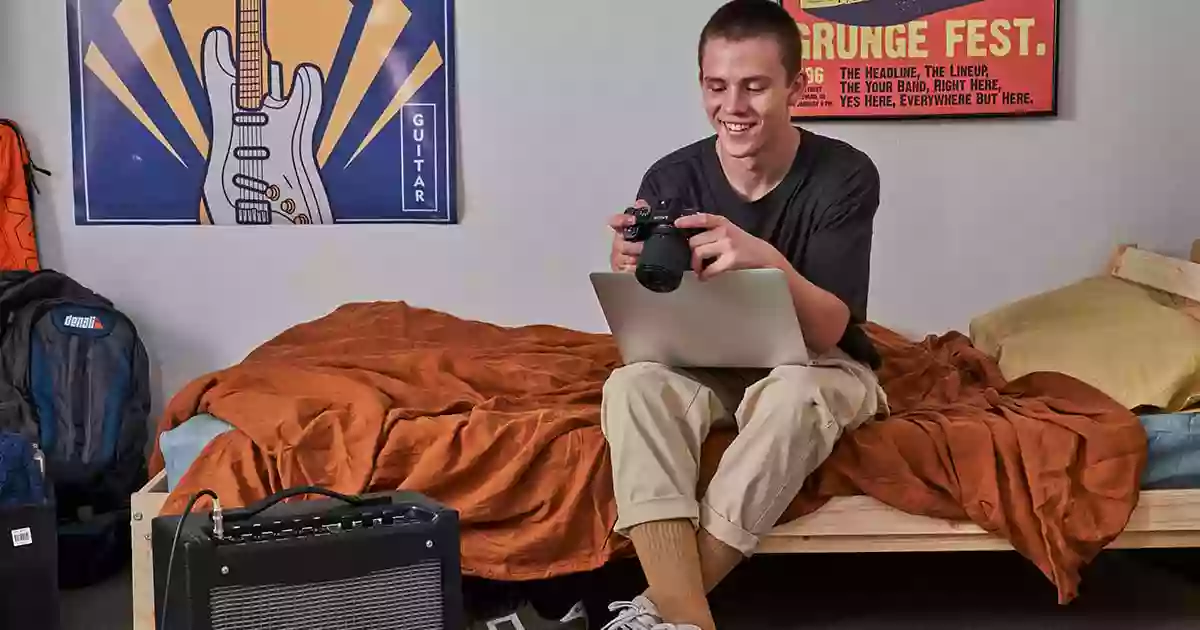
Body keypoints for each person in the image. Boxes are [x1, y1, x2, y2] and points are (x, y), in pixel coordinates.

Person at [599, 1, 889, 629]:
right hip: (706, 359)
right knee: (631, 387)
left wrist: (764, 260)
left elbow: (832, 329)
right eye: (717, 86)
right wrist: (628, 266)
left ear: (796, 88)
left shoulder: (844, 174)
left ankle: (662, 610)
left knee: (793, 397)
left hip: (817, 363)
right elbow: (652, 320)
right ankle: (689, 622)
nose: (733, 105)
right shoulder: (672, 176)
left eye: (755, 86)